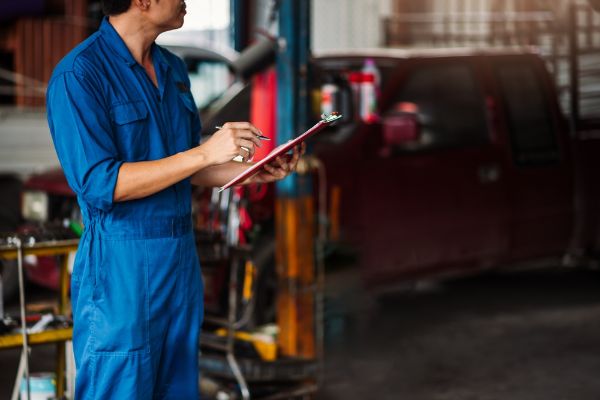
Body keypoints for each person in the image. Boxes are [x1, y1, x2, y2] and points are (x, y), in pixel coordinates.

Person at [46, 0, 303, 398]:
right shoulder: (80, 75)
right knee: (120, 386)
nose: (186, 0)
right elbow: (101, 183)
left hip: (179, 258)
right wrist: (206, 151)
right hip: (121, 265)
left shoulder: (172, 69)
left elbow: (184, 167)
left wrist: (252, 171)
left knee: (178, 387)